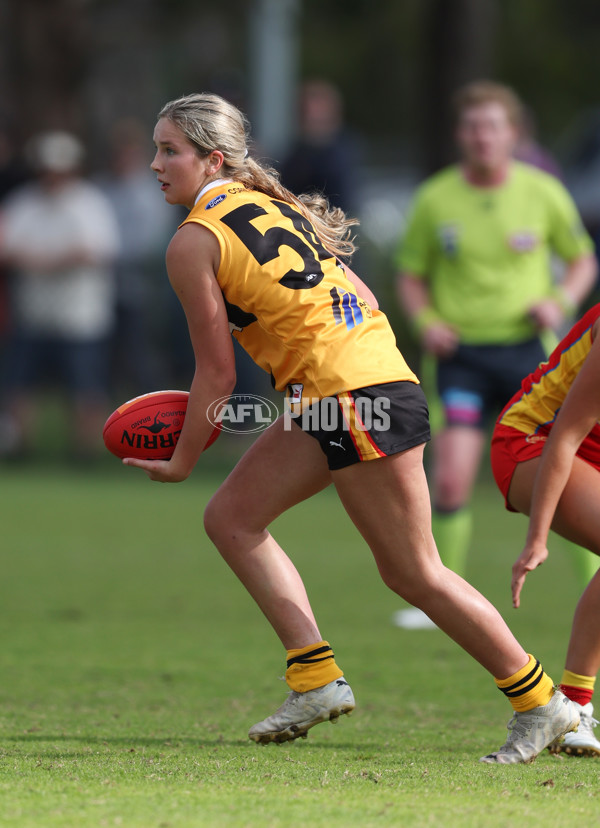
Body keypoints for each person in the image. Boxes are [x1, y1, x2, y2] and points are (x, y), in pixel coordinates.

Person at [124, 91, 580, 764]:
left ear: (213, 160)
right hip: (351, 387)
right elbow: (362, 296)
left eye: (170, 150)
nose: (156, 164)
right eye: (156, 149)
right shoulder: (271, 205)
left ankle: (543, 704)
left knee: (415, 572)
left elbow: (216, 376)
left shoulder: (194, 240)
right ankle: (314, 678)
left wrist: (183, 460)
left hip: (351, 395)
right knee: (232, 518)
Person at [394, 81, 597, 630]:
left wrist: (558, 301)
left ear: (512, 134)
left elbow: (582, 260)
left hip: (530, 356)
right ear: (460, 134)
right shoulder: (436, 198)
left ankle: (592, 587)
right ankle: (440, 602)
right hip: (460, 355)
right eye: (473, 126)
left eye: (492, 126)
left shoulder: (543, 192)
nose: (482, 136)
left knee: (568, 472)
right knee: (451, 479)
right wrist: (426, 321)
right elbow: (410, 274)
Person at [492, 302, 600, 756]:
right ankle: (574, 709)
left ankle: (573, 708)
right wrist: (536, 539)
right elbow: (566, 435)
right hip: (531, 442)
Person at [0, 130, 120, 462]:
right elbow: (7, 249)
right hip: (34, 312)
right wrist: (57, 258)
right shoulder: (23, 202)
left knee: (86, 387)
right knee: (19, 386)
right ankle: (19, 450)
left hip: (81, 315)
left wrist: (41, 260)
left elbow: (98, 251)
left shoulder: (90, 203)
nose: (52, 176)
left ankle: (86, 453)